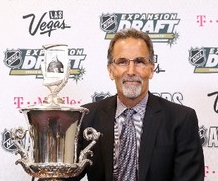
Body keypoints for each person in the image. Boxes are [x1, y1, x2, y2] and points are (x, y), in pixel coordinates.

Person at [66, 28, 204, 181]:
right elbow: (65, 176)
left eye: (139, 62)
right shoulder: (87, 116)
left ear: (151, 69)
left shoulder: (181, 119)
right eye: (122, 62)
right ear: (111, 71)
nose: (131, 71)